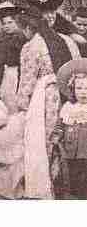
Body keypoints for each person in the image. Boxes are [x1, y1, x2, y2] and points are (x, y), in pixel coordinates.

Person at [15, 6, 80, 198]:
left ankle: (44, 183)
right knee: (66, 132)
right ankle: (64, 179)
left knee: (42, 136)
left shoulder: (31, 46)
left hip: (45, 94)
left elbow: (27, 80)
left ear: (28, 28)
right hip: (69, 91)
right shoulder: (67, 40)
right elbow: (76, 66)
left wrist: (22, 105)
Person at [53, 60, 87, 199]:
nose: (84, 92)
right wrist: (57, 136)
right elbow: (60, 125)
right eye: (79, 88)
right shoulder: (68, 107)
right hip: (70, 150)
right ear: (72, 89)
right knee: (72, 175)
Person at [0, 2, 27, 115]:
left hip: (18, 73)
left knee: (15, 101)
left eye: (10, 22)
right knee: (6, 99)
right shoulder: (3, 39)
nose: (6, 26)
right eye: (4, 23)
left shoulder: (21, 38)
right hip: (7, 73)